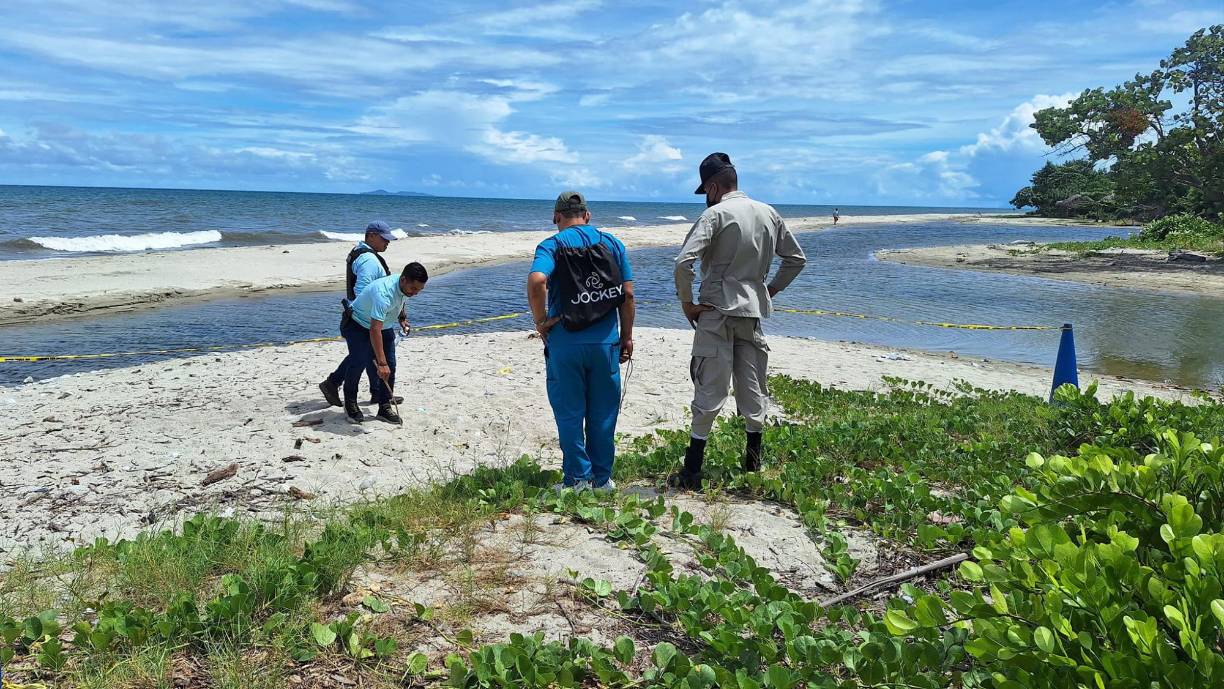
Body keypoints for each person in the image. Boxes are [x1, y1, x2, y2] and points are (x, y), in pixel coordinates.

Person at [670, 152, 807, 490]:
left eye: (706, 192)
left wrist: (688, 304)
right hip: (752, 311)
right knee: (752, 387)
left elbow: (683, 262)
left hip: (717, 310)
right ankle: (752, 465)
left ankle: (693, 470)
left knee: (709, 389)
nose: (707, 198)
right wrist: (769, 290)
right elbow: (795, 259)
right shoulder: (768, 213)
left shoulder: (715, 215)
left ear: (714, 186)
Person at [527, 191, 635, 492]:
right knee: (603, 413)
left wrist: (540, 321)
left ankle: (577, 480)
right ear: (587, 216)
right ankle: (602, 480)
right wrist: (626, 336)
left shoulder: (552, 245)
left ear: (556, 217)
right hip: (606, 343)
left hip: (565, 341)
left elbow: (537, 281)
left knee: (570, 413)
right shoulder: (613, 244)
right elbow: (627, 295)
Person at [319, 221, 406, 408]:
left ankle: (377, 393)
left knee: (367, 354)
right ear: (372, 235)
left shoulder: (364, 253)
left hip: (365, 315)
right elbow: (363, 292)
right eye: (384, 239)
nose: (387, 243)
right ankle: (334, 383)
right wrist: (376, 315)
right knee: (365, 354)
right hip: (365, 318)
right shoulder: (368, 260)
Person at [341, 262, 429, 423]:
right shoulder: (384, 293)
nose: (416, 293)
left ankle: (384, 407)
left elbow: (401, 299)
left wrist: (402, 318)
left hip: (384, 326)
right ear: (403, 280)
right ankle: (350, 403)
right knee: (358, 362)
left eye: (419, 290)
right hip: (358, 324)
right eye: (414, 289)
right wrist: (381, 363)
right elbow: (374, 329)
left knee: (391, 366)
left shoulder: (403, 286)